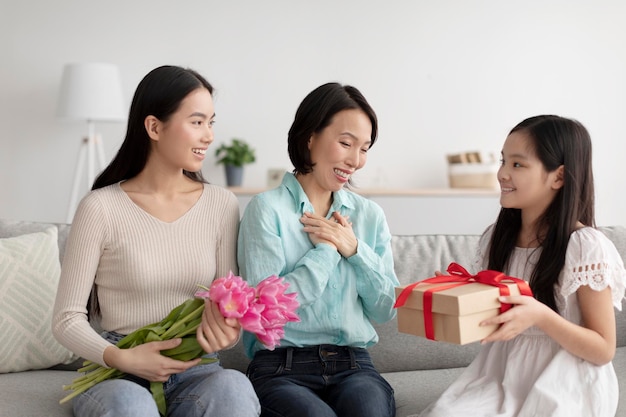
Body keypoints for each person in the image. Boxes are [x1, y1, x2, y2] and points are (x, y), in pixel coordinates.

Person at [52, 65, 260, 417]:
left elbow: (229, 304)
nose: (208, 136)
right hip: (119, 369)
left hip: (197, 368)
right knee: (130, 406)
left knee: (235, 389)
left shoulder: (221, 204)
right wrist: (122, 357)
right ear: (154, 127)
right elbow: (66, 318)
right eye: (197, 122)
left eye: (211, 122)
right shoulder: (100, 207)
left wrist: (228, 332)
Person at [417, 115, 626, 417]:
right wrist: (458, 298)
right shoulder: (496, 238)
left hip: (567, 378)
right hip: (502, 374)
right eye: (503, 161)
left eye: (517, 164)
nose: (502, 173)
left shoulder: (584, 246)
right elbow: (495, 318)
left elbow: (604, 349)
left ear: (559, 176)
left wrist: (541, 316)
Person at [237, 82, 399, 417]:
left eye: (365, 148)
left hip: (354, 365)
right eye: (345, 143)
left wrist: (354, 250)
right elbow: (268, 314)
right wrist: (326, 251)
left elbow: (386, 310)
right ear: (309, 138)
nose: (355, 160)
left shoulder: (369, 216)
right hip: (281, 368)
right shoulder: (266, 210)